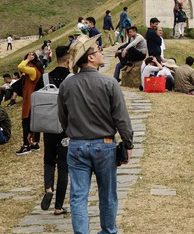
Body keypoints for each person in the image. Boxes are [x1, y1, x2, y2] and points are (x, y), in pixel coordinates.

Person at [58, 34, 133, 234]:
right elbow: (121, 118)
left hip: (77, 145)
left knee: (78, 196)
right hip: (105, 145)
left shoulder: (67, 84)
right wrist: (128, 143)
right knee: (108, 194)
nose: (101, 52)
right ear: (90, 57)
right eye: (98, 50)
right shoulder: (110, 83)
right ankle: (108, 231)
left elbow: (62, 117)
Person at [40, 45, 72, 215]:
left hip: (48, 126)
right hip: (66, 128)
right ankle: (58, 206)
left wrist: (33, 131)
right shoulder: (73, 78)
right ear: (68, 60)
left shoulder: (45, 77)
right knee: (64, 166)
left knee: (49, 160)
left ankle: (48, 189)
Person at [16, 51, 44, 155]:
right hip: (34, 100)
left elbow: (20, 66)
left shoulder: (32, 70)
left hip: (30, 100)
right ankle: (34, 143)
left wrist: (27, 59)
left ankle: (26, 145)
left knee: (26, 122)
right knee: (33, 122)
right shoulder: (36, 70)